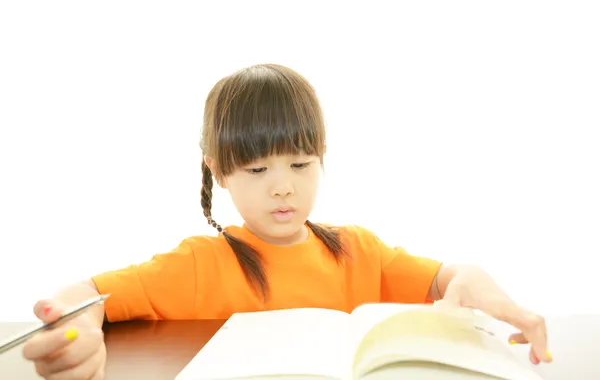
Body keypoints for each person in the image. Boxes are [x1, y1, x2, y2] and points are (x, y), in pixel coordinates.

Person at [22, 64, 552, 380]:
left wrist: (476, 283)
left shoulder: (358, 250)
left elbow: (446, 278)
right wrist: (75, 331)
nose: (283, 186)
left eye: (301, 164)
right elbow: (85, 295)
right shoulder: (198, 264)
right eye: (257, 168)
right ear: (220, 172)